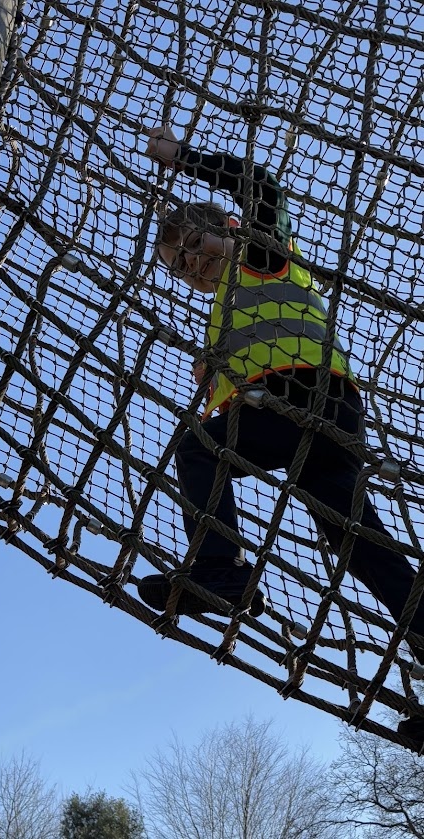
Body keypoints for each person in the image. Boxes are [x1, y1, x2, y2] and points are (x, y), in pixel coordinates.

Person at [137, 125, 424, 742]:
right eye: (179, 265)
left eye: (194, 245)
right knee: (361, 547)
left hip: (306, 399)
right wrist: (216, 371)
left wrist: (181, 157)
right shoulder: (224, 311)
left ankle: (221, 570)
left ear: (228, 229)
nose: (191, 265)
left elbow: (260, 184)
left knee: (199, 447)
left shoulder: (259, 255)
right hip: (317, 421)